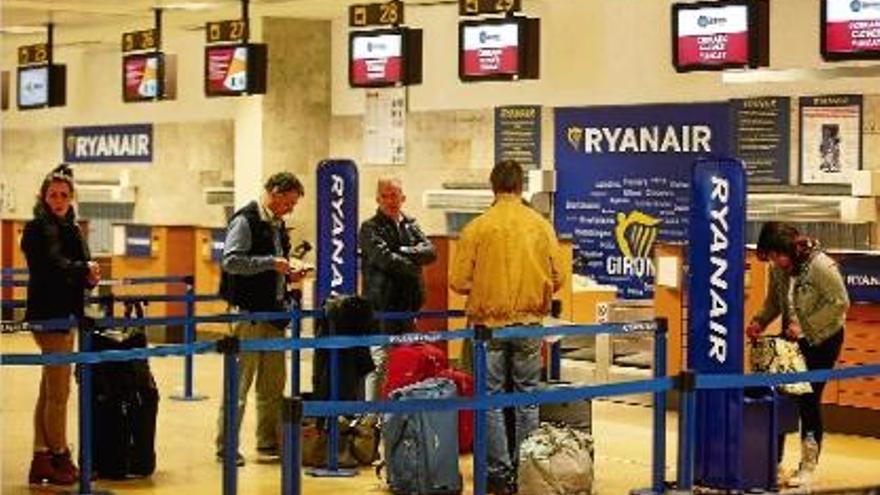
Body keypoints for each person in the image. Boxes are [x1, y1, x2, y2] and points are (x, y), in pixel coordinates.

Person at [450, 160, 565, 495]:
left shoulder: (478, 227)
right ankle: (527, 469)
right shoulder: (541, 226)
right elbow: (558, 277)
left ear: (493, 186)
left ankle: (498, 475)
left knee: (492, 400)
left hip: (489, 326)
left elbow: (458, 281)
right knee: (528, 399)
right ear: (520, 186)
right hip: (529, 324)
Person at [747, 221, 849, 488]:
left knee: (808, 400)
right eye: (769, 256)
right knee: (780, 396)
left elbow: (840, 304)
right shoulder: (778, 269)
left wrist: (805, 327)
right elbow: (774, 301)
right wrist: (760, 320)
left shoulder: (820, 266)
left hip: (822, 340)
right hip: (790, 340)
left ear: (789, 249)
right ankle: (773, 462)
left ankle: (807, 466)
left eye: (775, 254)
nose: (773, 260)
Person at [215, 172, 308, 466]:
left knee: (272, 384)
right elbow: (231, 261)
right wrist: (271, 263)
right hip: (248, 315)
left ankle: (267, 442)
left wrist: (290, 271)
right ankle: (226, 447)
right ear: (275, 193)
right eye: (289, 202)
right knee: (238, 386)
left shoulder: (277, 225)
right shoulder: (245, 220)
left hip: (274, 314)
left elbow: (273, 268)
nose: (291, 209)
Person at [22, 164, 101, 485]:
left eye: (63, 195)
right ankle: (59, 454)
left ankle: (40, 457)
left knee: (49, 388)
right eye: (52, 195)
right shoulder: (35, 229)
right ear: (43, 197)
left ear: (72, 198)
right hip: (48, 315)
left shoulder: (72, 228)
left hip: (68, 313)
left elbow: (80, 271)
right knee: (60, 392)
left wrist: (90, 274)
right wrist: (84, 268)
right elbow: (51, 266)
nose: (58, 200)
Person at [359, 177, 436, 400]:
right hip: (381, 308)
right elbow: (385, 259)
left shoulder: (411, 224)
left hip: (408, 308)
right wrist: (413, 261)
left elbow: (430, 252)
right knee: (380, 363)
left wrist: (403, 250)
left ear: (403, 197)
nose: (391, 200)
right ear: (377, 199)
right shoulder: (370, 228)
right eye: (385, 195)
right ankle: (372, 418)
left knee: (408, 361)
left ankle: (400, 417)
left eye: (395, 195)